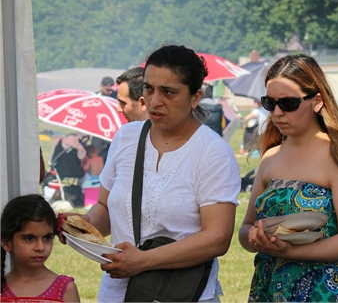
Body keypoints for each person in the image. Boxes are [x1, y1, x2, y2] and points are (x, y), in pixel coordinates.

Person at [62, 45, 241, 302]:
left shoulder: (213, 152)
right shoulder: (126, 137)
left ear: (195, 97)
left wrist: (144, 260)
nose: (154, 101)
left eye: (168, 92)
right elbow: (105, 207)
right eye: (149, 88)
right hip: (118, 292)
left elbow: (217, 238)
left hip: (180, 294)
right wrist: (81, 224)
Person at [239, 54, 338, 302]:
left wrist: (290, 251)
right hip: (270, 289)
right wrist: (256, 239)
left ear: (317, 101)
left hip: (326, 293)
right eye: (269, 103)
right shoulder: (270, 157)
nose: (277, 113)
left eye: (288, 103)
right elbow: (245, 229)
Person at [1, 194, 80, 302]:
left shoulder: (65, 289)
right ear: (6, 243)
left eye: (47, 238)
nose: (40, 247)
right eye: (29, 238)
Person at [43, 135, 86, 208]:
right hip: (74, 174)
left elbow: (50, 162)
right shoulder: (76, 151)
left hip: (60, 173)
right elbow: (82, 156)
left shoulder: (59, 146)